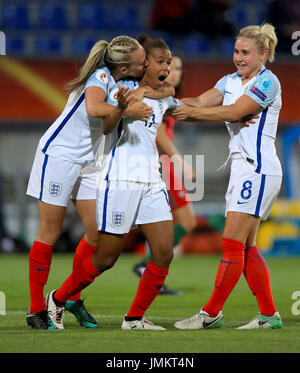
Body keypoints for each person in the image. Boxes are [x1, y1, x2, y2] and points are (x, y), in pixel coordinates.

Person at [45, 35, 180, 331]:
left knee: (163, 252)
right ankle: (58, 298)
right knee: (106, 257)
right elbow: (107, 126)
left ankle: (133, 319)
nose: (166, 67)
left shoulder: (163, 94)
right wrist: (124, 106)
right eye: (160, 61)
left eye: (168, 62)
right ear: (142, 65)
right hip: (120, 179)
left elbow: (185, 107)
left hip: (151, 182)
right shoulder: (124, 90)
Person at [26, 35, 153, 330]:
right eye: (141, 60)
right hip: (59, 157)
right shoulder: (101, 76)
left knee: (97, 236)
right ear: (124, 67)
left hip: (89, 163)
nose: (145, 63)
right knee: (50, 230)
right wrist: (128, 110)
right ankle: (36, 311)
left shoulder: (126, 84)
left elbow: (114, 119)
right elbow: (94, 109)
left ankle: (69, 298)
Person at [172, 23, 283, 330]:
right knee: (246, 246)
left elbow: (235, 112)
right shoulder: (229, 81)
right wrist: (167, 104)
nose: (238, 57)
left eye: (245, 52)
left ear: (262, 54)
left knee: (232, 242)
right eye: (236, 51)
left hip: (258, 169)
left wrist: (191, 114)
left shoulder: (267, 83)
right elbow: (200, 101)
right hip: (241, 168)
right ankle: (269, 315)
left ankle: (210, 314)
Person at [133, 55, 197, 295]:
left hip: (164, 165)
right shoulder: (158, 97)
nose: (176, 71)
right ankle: (147, 266)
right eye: (171, 67)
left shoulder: (169, 99)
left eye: (179, 67)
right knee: (185, 222)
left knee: (183, 223)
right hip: (162, 165)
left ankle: (148, 266)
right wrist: (180, 162)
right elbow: (159, 135)